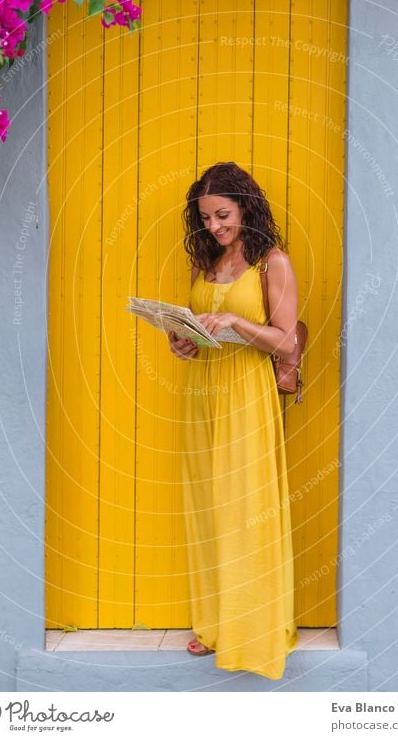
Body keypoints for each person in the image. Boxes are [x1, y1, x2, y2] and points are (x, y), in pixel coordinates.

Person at [168, 161, 299, 680]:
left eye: (223, 215)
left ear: (246, 207)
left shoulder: (273, 263)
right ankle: (216, 624)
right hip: (202, 394)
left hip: (246, 395)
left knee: (247, 510)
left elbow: (285, 341)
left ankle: (256, 629)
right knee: (209, 507)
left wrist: (239, 322)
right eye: (205, 218)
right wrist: (181, 341)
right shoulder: (206, 264)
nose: (215, 227)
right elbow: (201, 332)